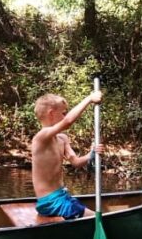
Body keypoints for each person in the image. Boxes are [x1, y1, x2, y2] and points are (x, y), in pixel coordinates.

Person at [30, 90, 102, 223]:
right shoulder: (40, 138)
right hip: (50, 202)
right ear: (51, 113)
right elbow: (68, 121)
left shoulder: (62, 139)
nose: (65, 116)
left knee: (91, 213)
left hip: (63, 197)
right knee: (96, 218)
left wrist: (91, 154)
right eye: (63, 113)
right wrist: (89, 99)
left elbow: (76, 162)